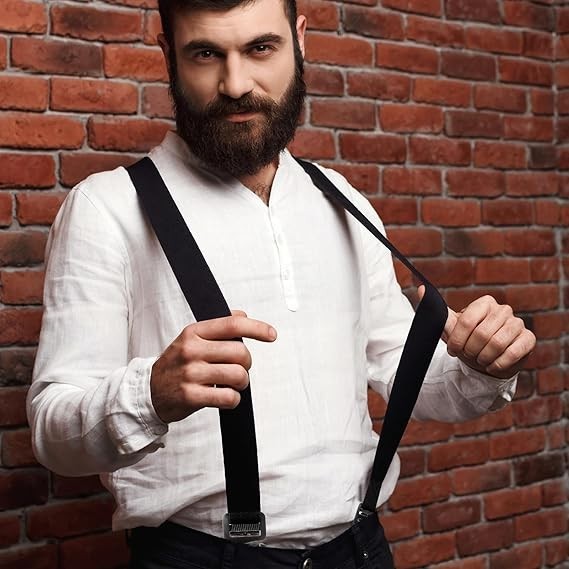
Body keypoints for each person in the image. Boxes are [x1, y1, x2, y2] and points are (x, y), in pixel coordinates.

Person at [27, 0, 536, 567]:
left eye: (260, 48)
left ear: (299, 39)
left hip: (361, 551)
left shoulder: (340, 201)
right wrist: (150, 395)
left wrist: (483, 366)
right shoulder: (107, 208)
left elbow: (409, 378)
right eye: (205, 54)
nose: (236, 84)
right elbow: (52, 432)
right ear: (168, 55)